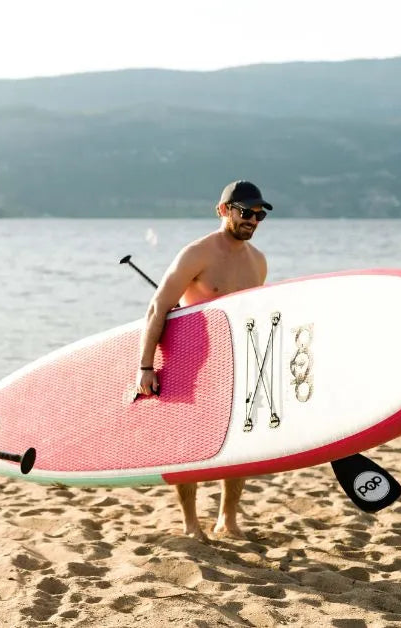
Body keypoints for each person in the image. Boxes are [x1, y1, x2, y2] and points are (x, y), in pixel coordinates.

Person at [134, 180, 272, 541]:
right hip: (190, 362)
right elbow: (158, 307)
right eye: (245, 212)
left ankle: (227, 520)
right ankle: (191, 524)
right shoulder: (197, 253)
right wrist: (146, 366)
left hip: (237, 363)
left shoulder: (258, 262)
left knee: (241, 442)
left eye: (259, 214)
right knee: (187, 444)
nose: (253, 220)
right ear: (223, 210)